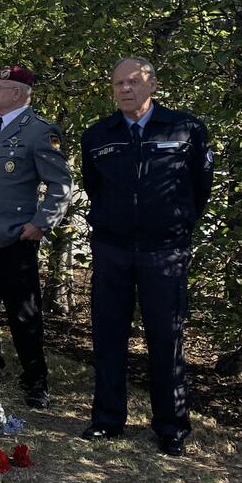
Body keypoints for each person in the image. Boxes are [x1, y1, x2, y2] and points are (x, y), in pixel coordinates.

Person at [79, 58, 213, 457]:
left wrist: (175, 223)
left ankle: (171, 426)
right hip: (113, 249)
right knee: (108, 334)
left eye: (133, 82)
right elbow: (94, 186)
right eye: (118, 83)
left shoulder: (185, 128)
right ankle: (107, 419)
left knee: (166, 337)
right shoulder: (97, 135)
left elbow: (199, 187)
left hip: (165, 251)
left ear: (152, 84)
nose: (125, 89)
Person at [0, 65, 72, 410]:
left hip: (13, 238)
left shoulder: (39, 131)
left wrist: (41, 223)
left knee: (24, 315)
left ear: (17, 93)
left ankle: (35, 381)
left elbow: (60, 184)